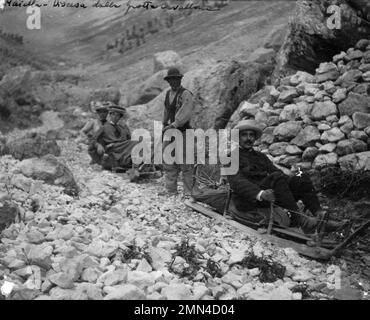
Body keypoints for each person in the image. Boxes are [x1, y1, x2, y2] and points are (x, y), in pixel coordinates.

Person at [227, 119, 346, 234]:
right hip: (249, 200)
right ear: (238, 138)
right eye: (244, 135)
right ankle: (301, 221)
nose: (248, 138)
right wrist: (261, 193)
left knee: (301, 177)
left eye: (251, 135)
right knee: (276, 178)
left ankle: (320, 217)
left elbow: (277, 173)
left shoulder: (260, 156)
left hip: (270, 195)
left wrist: (295, 181)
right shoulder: (230, 157)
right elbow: (237, 183)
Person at [161, 67, 195, 197]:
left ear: (179, 79)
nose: (172, 82)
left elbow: (185, 113)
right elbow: (166, 111)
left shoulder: (185, 94)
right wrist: (164, 124)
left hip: (183, 131)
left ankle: (188, 192)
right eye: (170, 80)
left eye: (175, 79)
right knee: (168, 160)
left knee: (186, 162)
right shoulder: (168, 94)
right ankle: (171, 190)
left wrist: (174, 124)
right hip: (170, 132)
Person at [95, 104, 132, 170]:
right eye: (113, 114)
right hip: (112, 148)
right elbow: (94, 139)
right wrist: (98, 145)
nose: (115, 117)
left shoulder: (122, 127)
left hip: (123, 147)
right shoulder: (104, 127)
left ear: (120, 117)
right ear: (110, 115)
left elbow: (129, 138)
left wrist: (125, 128)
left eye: (117, 115)